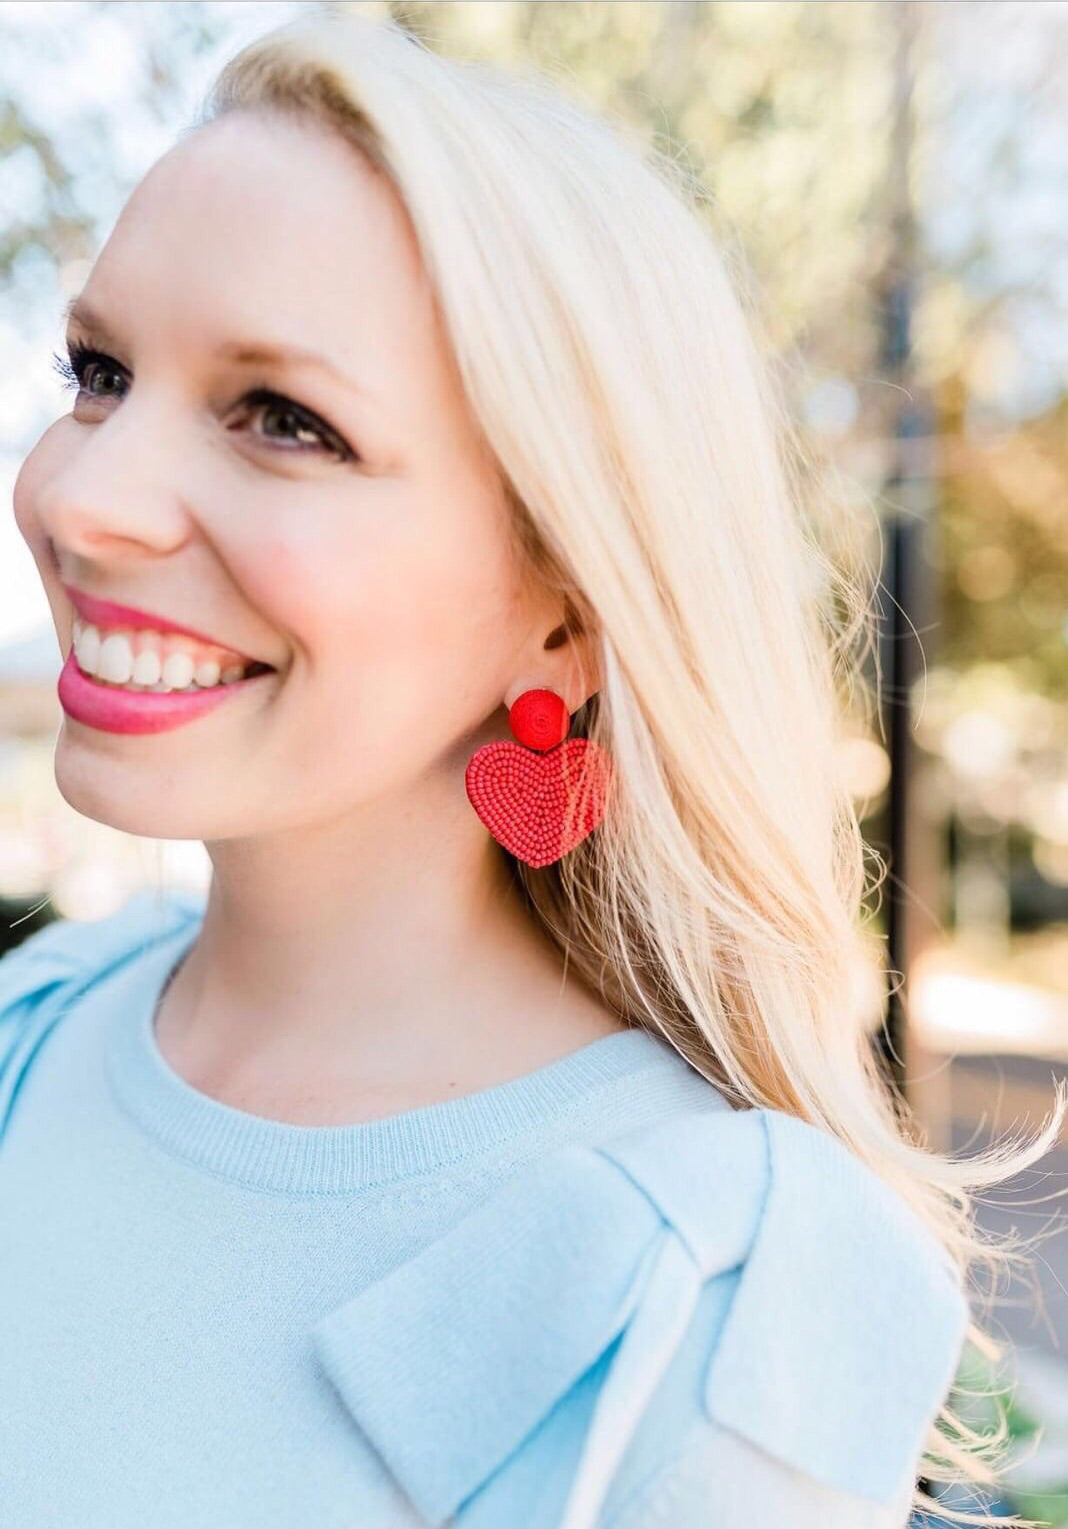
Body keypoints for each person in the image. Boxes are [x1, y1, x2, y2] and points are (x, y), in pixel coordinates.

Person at [2, 11, 1062, 1528]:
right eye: (97, 370)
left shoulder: (697, 1283)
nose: (84, 497)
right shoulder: (33, 1034)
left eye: (286, 421)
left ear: (563, 610)